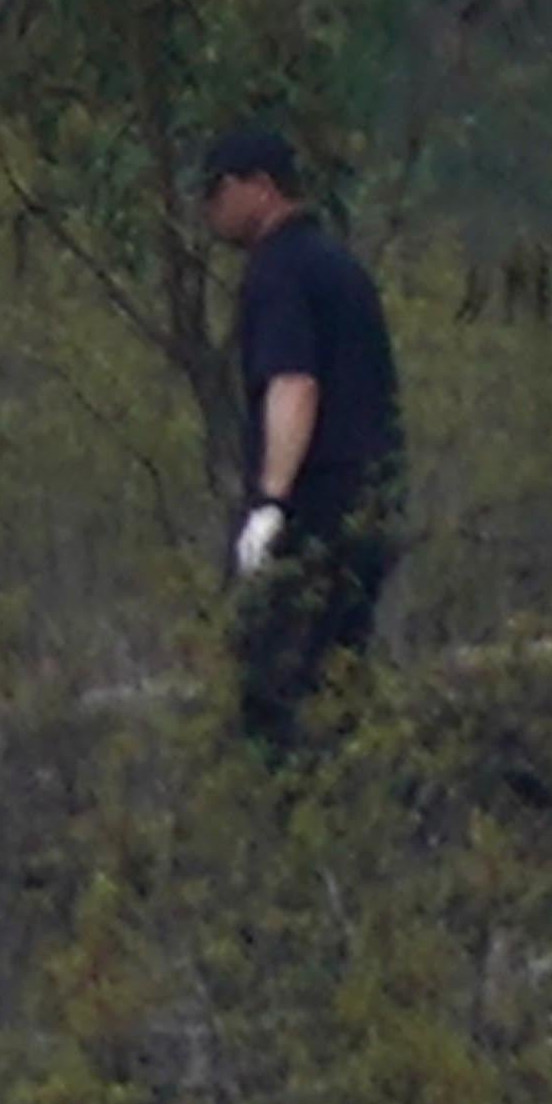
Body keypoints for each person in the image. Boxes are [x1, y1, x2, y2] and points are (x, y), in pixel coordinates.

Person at [200, 127, 403, 754]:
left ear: (259, 188)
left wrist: (271, 503)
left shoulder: (281, 271)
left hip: (316, 508)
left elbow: (294, 384)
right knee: (339, 680)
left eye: (218, 190)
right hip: (371, 503)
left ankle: (291, 825)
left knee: (273, 684)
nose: (209, 208)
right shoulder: (339, 266)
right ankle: (345, 821)